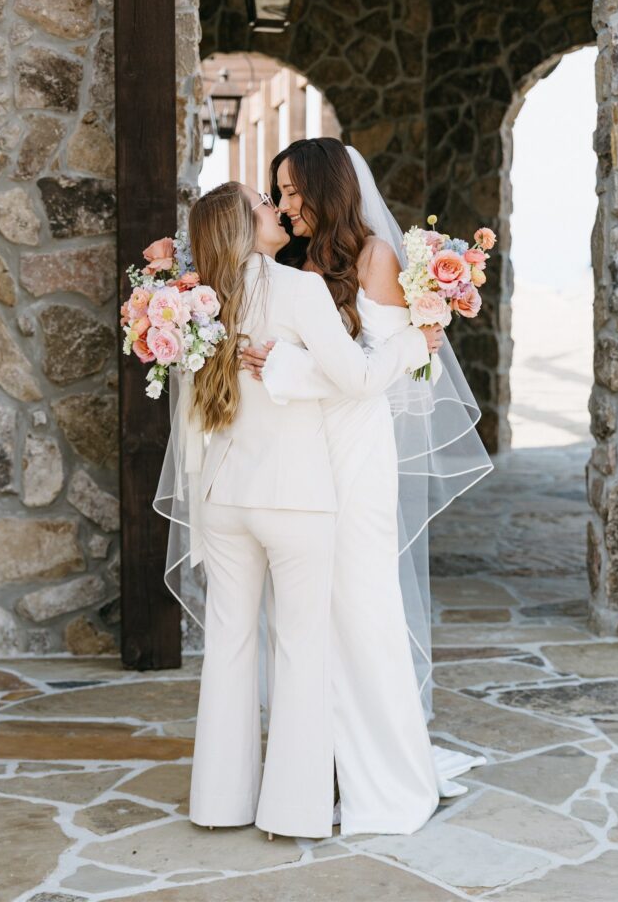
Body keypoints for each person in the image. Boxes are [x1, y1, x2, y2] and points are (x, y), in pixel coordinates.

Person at [158, 180, 438, 840]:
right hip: (295, 500)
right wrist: (414, 343)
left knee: (227, 647)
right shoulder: (297, 289)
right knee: (301, 650)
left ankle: (218, 804)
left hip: (223, 497)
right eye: (263, 203)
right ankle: (293, 811)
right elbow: (359, 379)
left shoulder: (196, 300)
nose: (277, 209)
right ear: (243, 227)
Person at [241, 139, 492, 835]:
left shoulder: (376, 257)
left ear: (327, 188)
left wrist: (286, 368)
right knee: (304, 616)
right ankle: (314, 764)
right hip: (299, 453)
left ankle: (384, 774)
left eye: (294, 191)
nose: (286, 205)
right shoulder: (292, 261)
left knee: (361, 608)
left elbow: (378, 370)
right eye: (279, 193)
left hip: (354, 452)